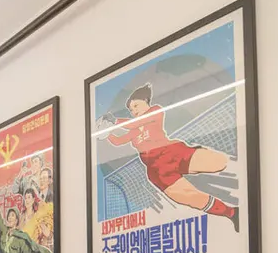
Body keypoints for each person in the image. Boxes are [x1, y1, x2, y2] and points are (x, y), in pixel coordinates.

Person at [98, 83, 239, 231]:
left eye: (136, 106)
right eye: (131, 110)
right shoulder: (134, 131)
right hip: (157, 170)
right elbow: (119, 141)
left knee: (219, 163)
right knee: (191, 198)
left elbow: (136, 123)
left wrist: (114, 121)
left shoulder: (155, 111)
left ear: (146, 101)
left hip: (171, 153)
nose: (133, 111)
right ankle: (232, 213)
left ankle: (203, 154)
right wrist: (106, 134)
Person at [0, 182, 53, 253]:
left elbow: (46, 239)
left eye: (29, 197)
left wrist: (48, 235)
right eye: (25, 198)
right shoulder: (20, 217)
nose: (27, 200)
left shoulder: (38, 217)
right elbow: (9, 228)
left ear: (33, 199)